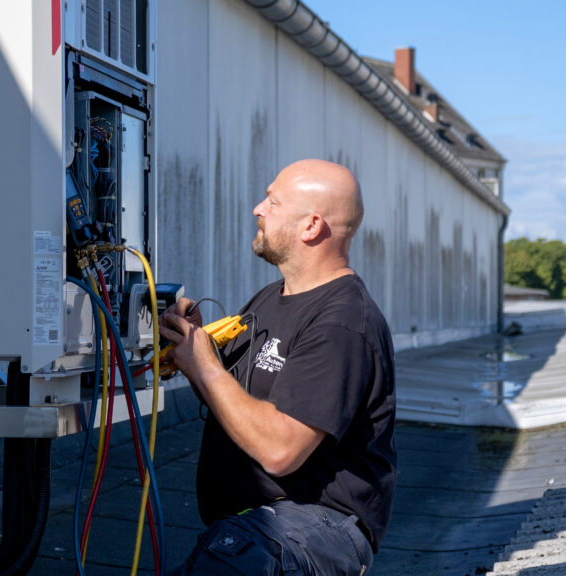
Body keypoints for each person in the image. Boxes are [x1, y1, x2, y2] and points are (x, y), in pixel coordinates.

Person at [159, 159, 396, 575]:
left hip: (315, 525)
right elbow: (234, 404)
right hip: (256, 525)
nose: (258, 209)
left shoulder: (342, 323)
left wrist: (207, 367)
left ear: (311, 226)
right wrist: (195, 354)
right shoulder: (271, 298)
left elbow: (280, 450)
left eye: (273, 201)